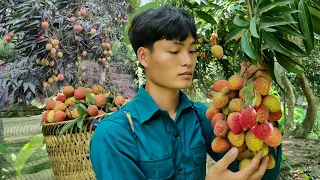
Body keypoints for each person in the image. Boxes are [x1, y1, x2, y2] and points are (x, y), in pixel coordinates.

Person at [89, 5, 282, 180]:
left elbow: (259, 171)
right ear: (144, 56)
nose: (188, 61)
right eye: (174, 51)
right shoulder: (113, 134)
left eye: (191, 51)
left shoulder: (201, 117)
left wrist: (259, 105)